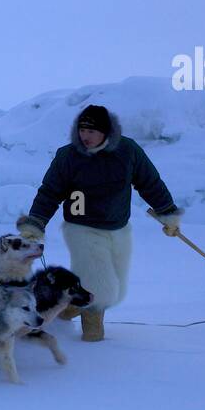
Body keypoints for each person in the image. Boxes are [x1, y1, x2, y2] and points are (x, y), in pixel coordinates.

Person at [16, 104, 183, 342]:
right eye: (82, 130)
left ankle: (68, 306)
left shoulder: (128, 151)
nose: (85, 136)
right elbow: (50, 193)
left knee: (117, 286)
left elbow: (150, 183)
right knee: (101, 285)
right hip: (81, 228)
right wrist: (35, 225)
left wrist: (167, 213)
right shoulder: (68, 156)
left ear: (106, 131)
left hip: (118, 228)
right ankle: (93, 335)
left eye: (91, 131)